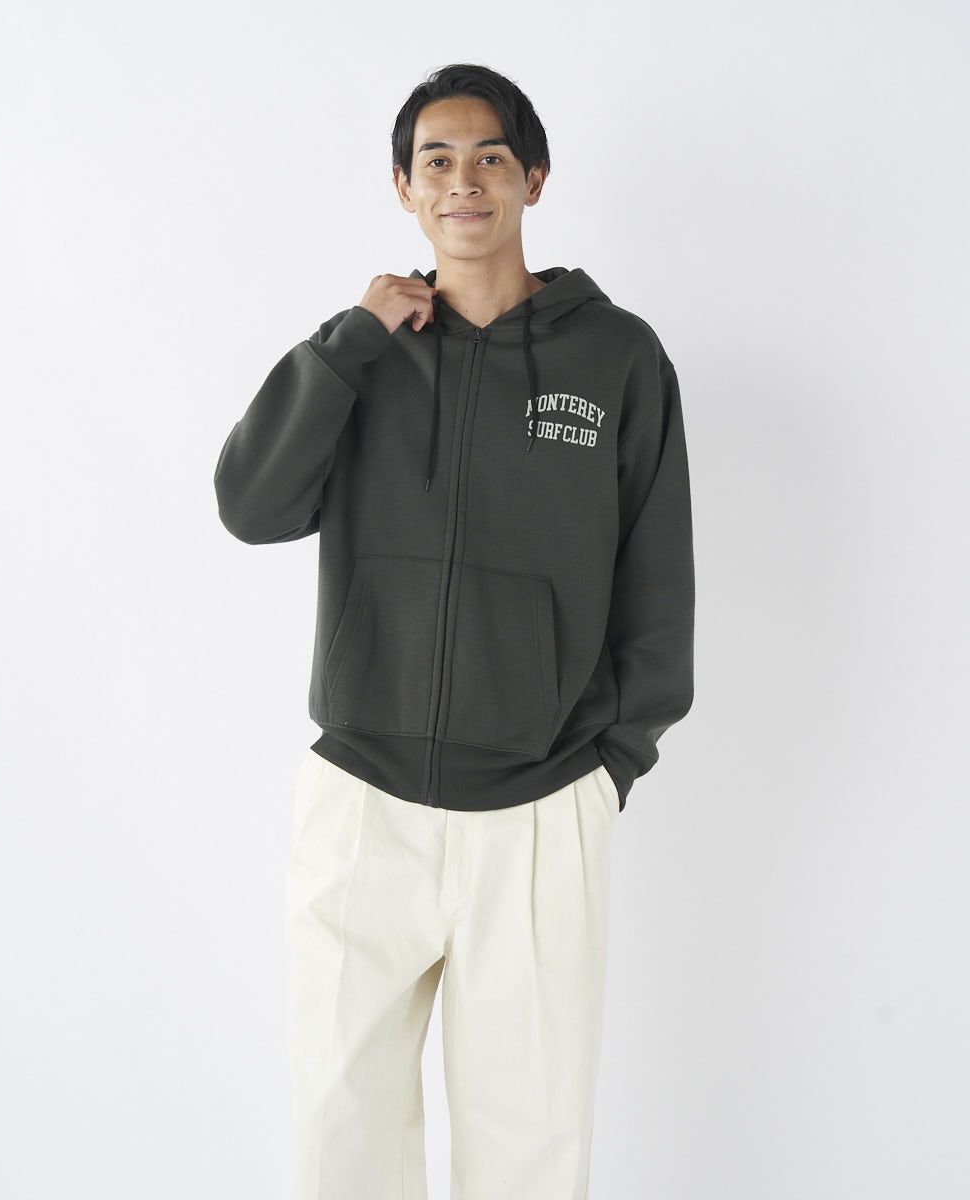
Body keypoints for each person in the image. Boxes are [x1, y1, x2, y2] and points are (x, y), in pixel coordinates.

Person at [214, 62, 695, 1200]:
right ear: (404, 187)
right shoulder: (361, 352)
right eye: (436, 160)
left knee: (529, 1147)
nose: (463, 182)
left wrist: (606, 769)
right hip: (362, 804)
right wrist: (350, 342)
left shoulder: (618, 357)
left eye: (489, 158)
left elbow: (658, 584)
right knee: (339, 1135)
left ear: (534, 178)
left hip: (539, 808)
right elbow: (252, 506)